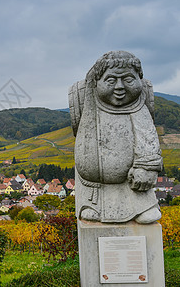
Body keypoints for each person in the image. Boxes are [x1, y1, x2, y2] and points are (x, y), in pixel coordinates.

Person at [69, 51, 162, 224]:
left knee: (146, 212)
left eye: (128, 80)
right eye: (111, 81)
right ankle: (91, 205)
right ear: (97, 82)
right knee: (91, 211)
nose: (119, 87)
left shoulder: (140, 105)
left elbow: (148, 138)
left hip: (134, 185)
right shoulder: (84, 98)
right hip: (93, 189)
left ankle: (143, 207)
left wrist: (147, 167)